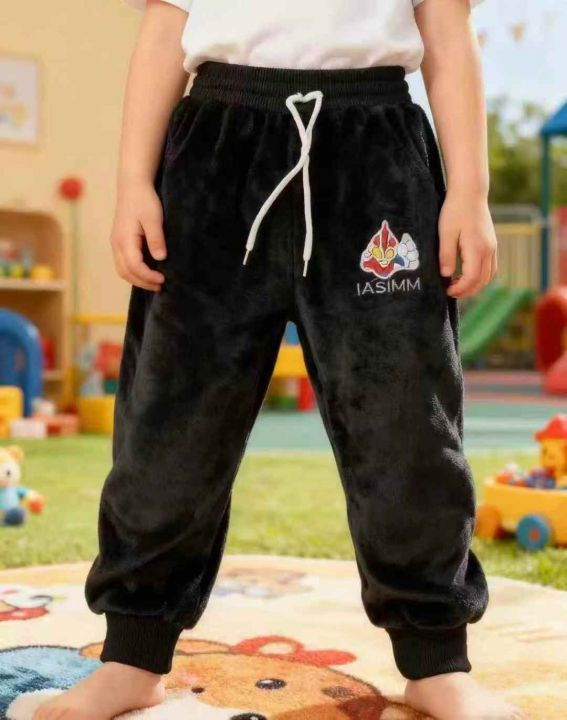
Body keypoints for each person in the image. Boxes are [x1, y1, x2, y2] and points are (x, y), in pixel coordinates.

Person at [35, 0, 526, 718]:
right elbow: (163, 34)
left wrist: (471, 193)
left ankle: (434, 660)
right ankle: (133, 653)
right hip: (214, 156)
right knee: (170, 421)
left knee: (404, 424)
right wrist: (133, 182)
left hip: (375, 157)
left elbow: (448, 35)